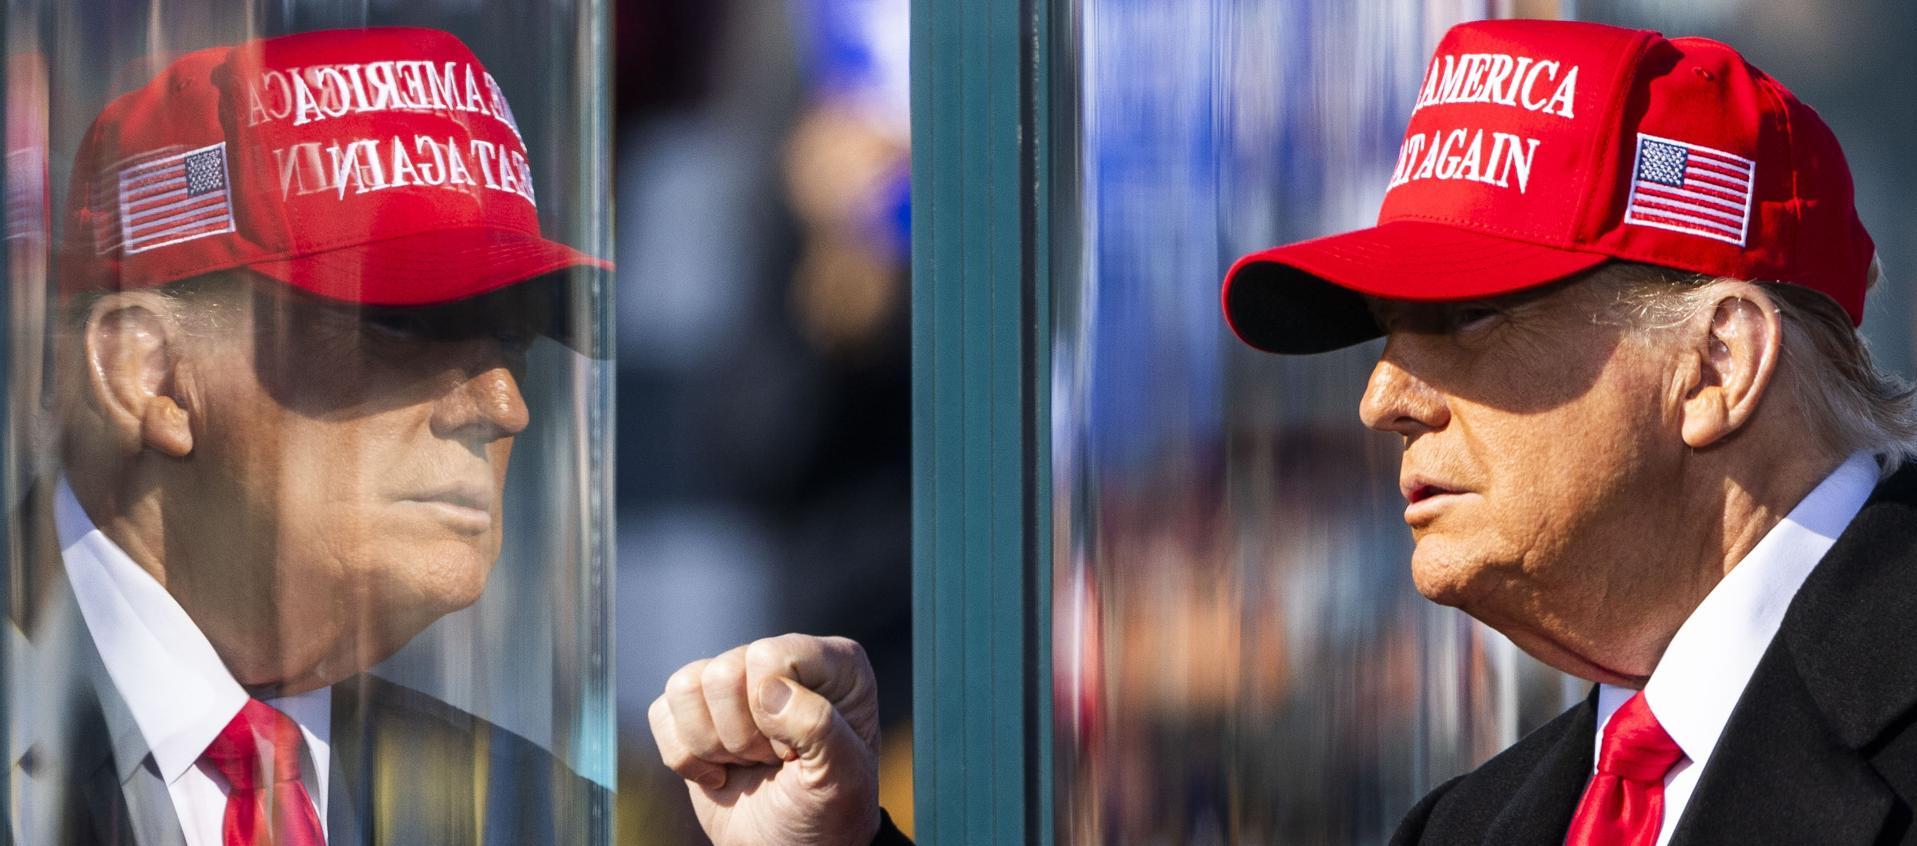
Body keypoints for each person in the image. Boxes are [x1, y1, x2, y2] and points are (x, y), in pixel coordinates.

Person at [650, 17, 1917, 846]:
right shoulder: (1492, 820)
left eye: (1464, 321)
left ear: (1716, 364)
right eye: (1385, 335)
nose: (1382, 396)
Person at [11, 27, 608, 844]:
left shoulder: (526, 808)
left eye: (514, 339)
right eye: (402, 324)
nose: (504, 406)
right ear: (149, 375)